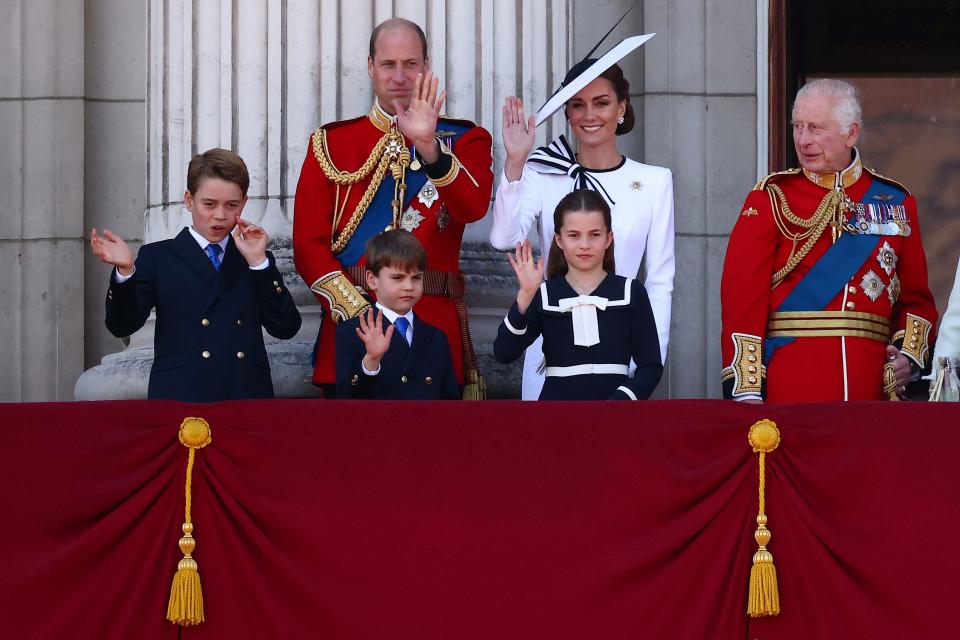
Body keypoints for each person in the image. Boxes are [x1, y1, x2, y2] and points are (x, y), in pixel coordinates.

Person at [294, 18, 493, 398]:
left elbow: (473, 207)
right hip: (354, 329)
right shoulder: (332, 142)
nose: (400, 75)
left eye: (411, 64)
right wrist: (359, 314)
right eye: (388, 64)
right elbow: (307, 245)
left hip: (433, 329)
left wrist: (431, 149)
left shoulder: (465, 140)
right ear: (370, 66)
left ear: (426, 65)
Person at [720, 79, 938, 402]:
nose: (803, 140)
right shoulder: (771, 198)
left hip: (872, 393)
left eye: (816, 128)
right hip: (791, 389)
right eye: (798, 126)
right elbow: (742, 301)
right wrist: (747, 394)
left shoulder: (895, 202)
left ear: (851, 133)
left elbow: (916, 301)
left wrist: (908, 358)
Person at [490, 57, 674, 400]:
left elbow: (660, 281)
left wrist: (645, 369)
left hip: (621, 362)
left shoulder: (654, 181)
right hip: (550, 356)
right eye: (578, 105)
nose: (590, 115)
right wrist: (515, 160)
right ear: (568, 113)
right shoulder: (542, 171)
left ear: (621, 107)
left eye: (601, 103)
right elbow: (503, 238)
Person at [90, 148, 302, 401]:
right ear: (189, 200)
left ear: (244, 202)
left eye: (231, 205)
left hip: (245, 394)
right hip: (182, 396)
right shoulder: (159, 257)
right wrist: (126, 272)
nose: (220, 215)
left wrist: (259, 263)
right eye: (209, 204)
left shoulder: (252, 258)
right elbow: (122, 325)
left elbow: (286, 327)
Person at [494, 190, 662, 400]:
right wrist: (525, 295)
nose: (585, 244)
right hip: (556, 419)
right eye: (574, 235)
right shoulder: (544, 295)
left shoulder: (631, 292)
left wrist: (622, 400)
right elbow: (504, 353)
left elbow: (651, 367)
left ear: (609, 238)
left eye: (595, 234)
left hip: (615, 420)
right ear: (559, 240)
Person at [335, 230, 459, 400]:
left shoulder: (436, 338)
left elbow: (450, 404)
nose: (409, 286)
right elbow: (345, 400)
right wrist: (371, 360)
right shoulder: (353, 332)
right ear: (372, 280)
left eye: (416, 278)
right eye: (398, 277)